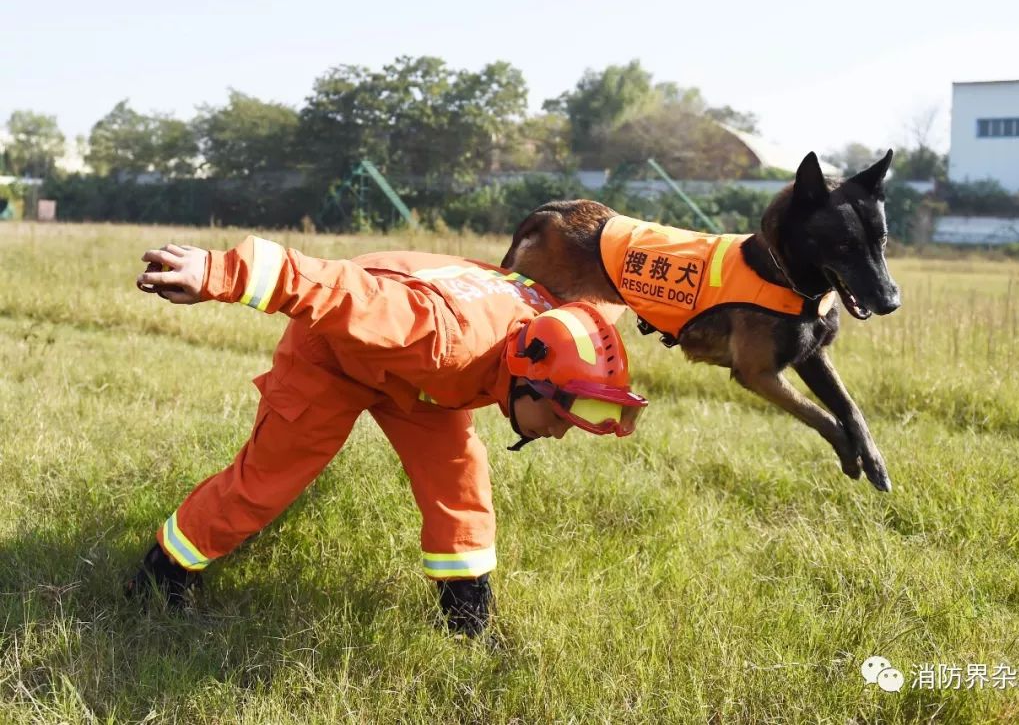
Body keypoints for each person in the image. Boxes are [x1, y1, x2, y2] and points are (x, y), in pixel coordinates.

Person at [125, 236, 648, 637]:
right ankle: (162, 573)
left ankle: (465, 619)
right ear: (526, 371)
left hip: (425, 384)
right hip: (336, 354)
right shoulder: (440, 335)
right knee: (267, 482)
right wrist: (217, 271)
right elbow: (333, 289)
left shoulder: (550, 321)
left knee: (460, 481)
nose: (558, 433)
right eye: (559, 416)